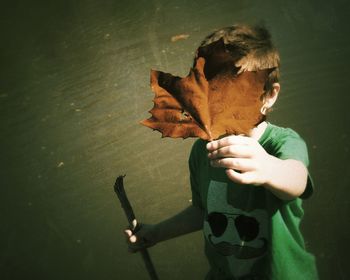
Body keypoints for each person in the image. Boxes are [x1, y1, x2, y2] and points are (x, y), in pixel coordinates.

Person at [125, 24, 318, 279]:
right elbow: (202, 211)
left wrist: (269, 168)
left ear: (269, 95)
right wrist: (156, 233)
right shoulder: (202, 151)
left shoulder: (282, 144)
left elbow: (297, 179)